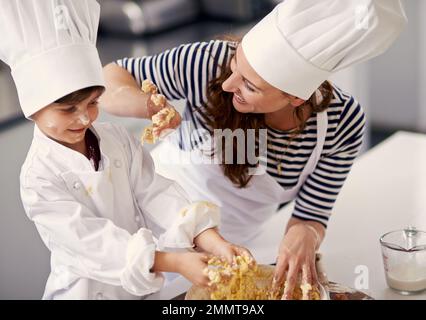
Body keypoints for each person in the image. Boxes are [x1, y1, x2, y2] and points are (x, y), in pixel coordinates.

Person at [101, 0, 407, 299]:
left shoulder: (343, 123)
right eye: (236, 67)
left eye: (249, 85)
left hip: (228, 249)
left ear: (296, 98)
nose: (228, 85)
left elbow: (311, 214)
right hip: (144, 224)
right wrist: (147, 105)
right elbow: (111, 76)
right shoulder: (208, 64)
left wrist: (306, 234)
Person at [0, 0, 251, 300]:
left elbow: (155, 193)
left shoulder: (115, 139)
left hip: (140, 290)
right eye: (68, 110)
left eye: (92, 103)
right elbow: (91, 243)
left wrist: (208, 238)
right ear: (33, 108)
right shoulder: (38, 178)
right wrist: (172, 261)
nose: (84, 118)